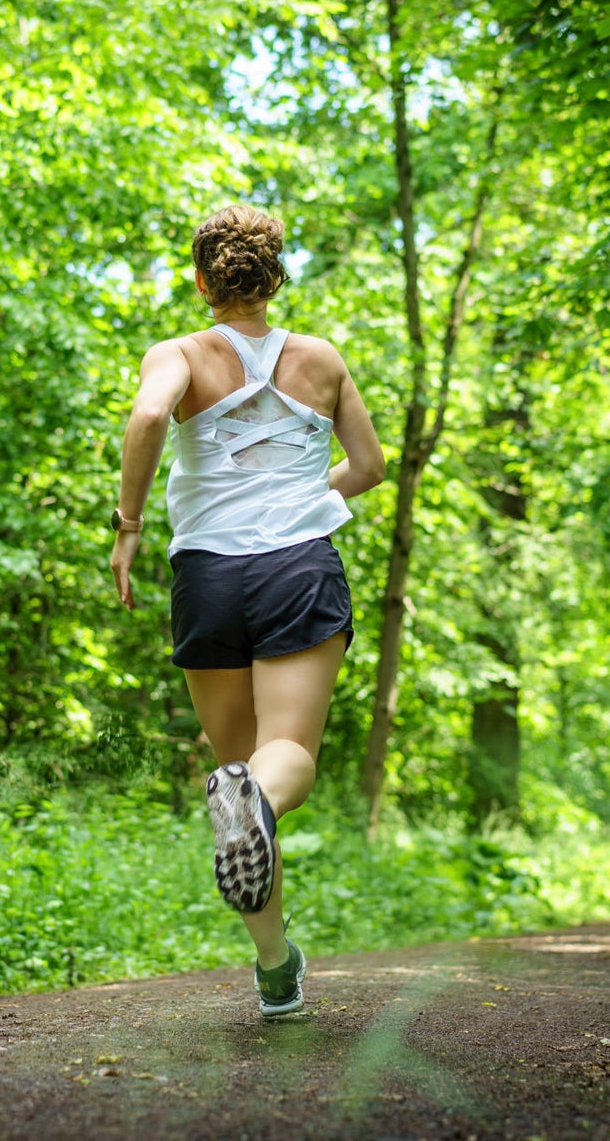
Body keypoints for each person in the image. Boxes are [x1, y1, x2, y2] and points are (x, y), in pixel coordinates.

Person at [107, 204, 386, 1018]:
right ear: (277, 276)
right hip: (297, 567)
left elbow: (151, 415)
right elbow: (366, 466)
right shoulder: (320, 359)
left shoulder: (180, 354)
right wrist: (305, 496)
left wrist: (127, 528)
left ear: (202, 279)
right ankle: (251, 811)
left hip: (207, 574)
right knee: (281, 758)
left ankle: (275, 966)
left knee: (243, 776)